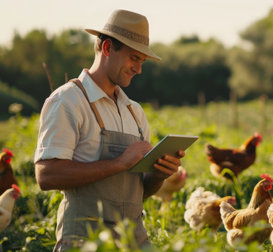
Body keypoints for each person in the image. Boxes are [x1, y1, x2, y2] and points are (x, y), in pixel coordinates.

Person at [34, 9, 184, 251]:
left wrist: (159, 174)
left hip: (133, 242)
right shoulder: (67, 101)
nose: (139, 69)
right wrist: (120, 163)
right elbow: (46, 175)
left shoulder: (134, 112)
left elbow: (135, 193)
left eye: (142, 61)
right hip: (85, 242)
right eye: (134, 58)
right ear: (106, 48)